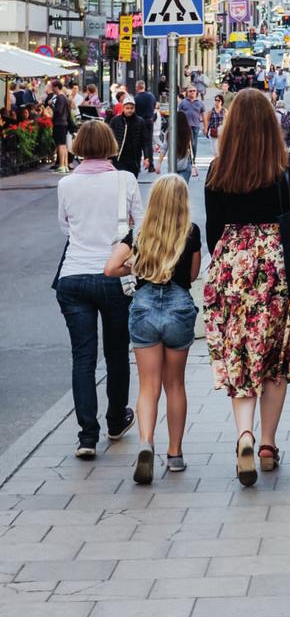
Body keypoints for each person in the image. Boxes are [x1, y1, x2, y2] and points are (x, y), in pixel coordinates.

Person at [203, 88, 290, 485]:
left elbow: (212, 231)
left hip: (233, 267)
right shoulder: (288, 164)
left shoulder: (218, 167)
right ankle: (268, 445)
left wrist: (230, 264)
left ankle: (244, 433)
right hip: (278, 267)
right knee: (276, 360)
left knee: (240, 353)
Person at [104, 174, 201, 483]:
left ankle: (146, 443)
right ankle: (175, 455)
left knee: (148, 386)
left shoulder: (140, 233)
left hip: (144, 305)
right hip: (179, 307)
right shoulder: (191, 232)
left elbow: (110, 268)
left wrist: (137, 267)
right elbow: (194, 274)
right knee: (175, 385)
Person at [55, 121, 142, 458]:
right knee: (117, 352)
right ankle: (116, 419)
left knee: (83, 358)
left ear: (78, 147)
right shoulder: (125, 180)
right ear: (110, 144)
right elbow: (142, 223)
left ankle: (86, 436)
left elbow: (65, 226)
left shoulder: (66, 184)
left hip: (73, 276)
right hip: (114, 275)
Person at [107, 95, 145, 177]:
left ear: (134, 108)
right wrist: (109, 157)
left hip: (134, 158)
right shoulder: (115, 120)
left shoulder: (140, 121)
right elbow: (109, 139)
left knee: (132, 179)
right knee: (121, 180)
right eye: (127, 108)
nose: (129, 110)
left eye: (131, 108)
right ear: (123, 108)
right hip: (119, 158)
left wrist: (147, 157)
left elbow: (145, 140)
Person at [47, 79, 72, 174]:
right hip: (63, 123)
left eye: (53, 87)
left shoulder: (60, 98)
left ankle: (62, 165)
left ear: (56, 87)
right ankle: (64, 165)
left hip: (59, 123)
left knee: (60, 145)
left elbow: (58, 111)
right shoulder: (63, 97)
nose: (52, 89)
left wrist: (51, 105)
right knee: (63, 145)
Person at [133, 82, 157, 172]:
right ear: (144, 87)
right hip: (149, 121)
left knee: (138, 143)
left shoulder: (136, 98)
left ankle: (137, 165)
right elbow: (155, 106)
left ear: (137, 87)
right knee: (148, 143)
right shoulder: (151, 96)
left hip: (138, 122)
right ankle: (151, 165)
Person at [178, 86, 205, 155]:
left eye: (194, 91)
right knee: (186, 143)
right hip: (186, 126)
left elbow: (203, 115)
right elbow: (179, 114)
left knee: (193, 143)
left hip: (196, 125)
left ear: (196, 92)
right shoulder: (183, 102)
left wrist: (205, 127)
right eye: (190, 91)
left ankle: (193, 159)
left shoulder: (200, 103)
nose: (192, 92)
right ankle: (188, 158)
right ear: (187, 93)